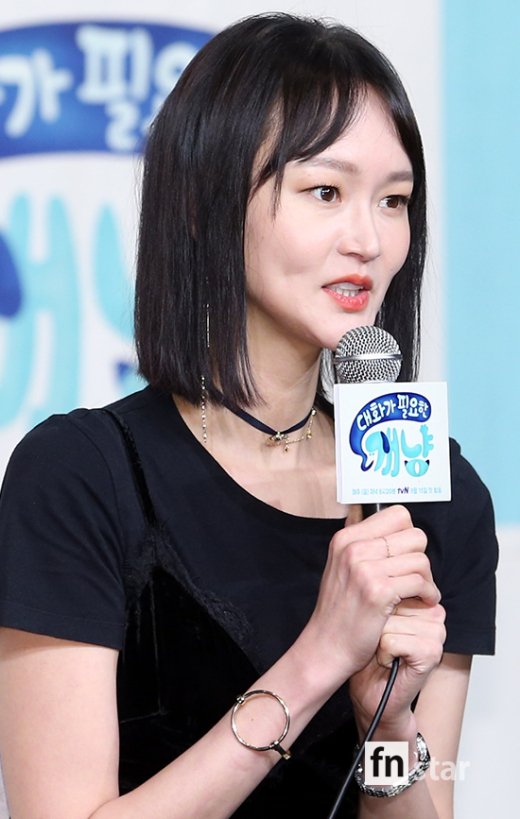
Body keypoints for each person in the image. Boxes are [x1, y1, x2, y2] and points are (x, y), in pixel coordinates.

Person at [0, 12, 497, 819]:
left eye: (395, 200)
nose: (369, 240)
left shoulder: (439, 494)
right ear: (206, 204)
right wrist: (320, 658)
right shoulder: (81, 475)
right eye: (326, 192)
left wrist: (390, 723)